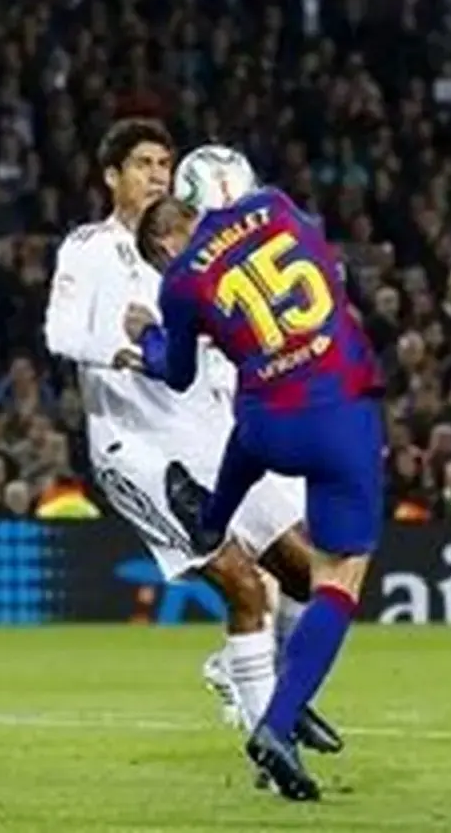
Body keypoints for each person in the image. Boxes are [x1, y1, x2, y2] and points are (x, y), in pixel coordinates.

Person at [43, 121, 341, 759]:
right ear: (111, 176)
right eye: (142, 164)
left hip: (213, 435)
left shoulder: (197, 252)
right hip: (138, 448)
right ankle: (272, 739)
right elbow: (60, 334)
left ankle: (250, 676)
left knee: (311, 577)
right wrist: (131, 348)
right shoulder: (91, 248)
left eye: (164, 164)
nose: (157, 175)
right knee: (242, 584)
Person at [135, 188, 385, 801]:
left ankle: (211, 517)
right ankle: (277, 724)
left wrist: (148, 339)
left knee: (248, 437)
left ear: (165, 246)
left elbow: (177, 375)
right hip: (340, 409)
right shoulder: (272, 205)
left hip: (266, 425)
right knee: (338, 579)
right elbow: (326, 261)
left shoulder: (180, 283)